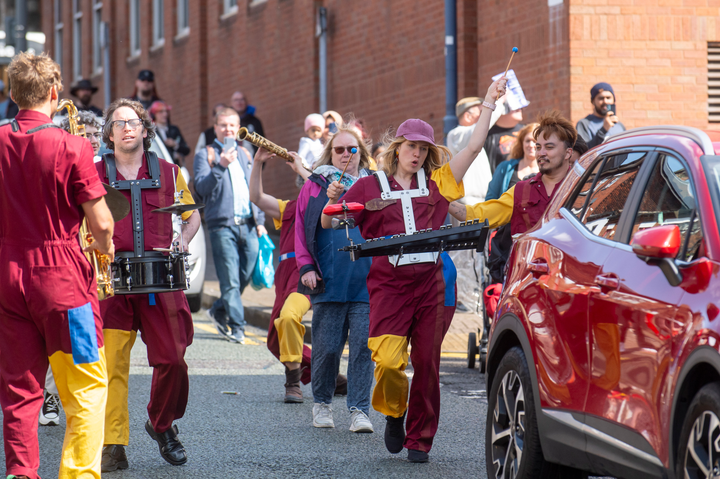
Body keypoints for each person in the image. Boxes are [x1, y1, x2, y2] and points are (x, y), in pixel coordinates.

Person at [321, 76, 508, 463]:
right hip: (388, 287)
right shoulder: (369, 185)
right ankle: (394, 411)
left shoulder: (439, 182)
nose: (417, 154)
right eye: (411, 147)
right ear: (397, 148)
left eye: (424, 148)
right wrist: (334, 203)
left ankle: (420, 439)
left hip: (429, 286)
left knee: (427, 365)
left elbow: (474, 145)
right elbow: (327, 223)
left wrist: (490, 99)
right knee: (389, 362)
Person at [0, 51, 114, 479]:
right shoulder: (73, 145)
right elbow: (101, 223)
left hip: (8, 273)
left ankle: (21, 472)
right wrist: (105, 250)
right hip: (63, 278)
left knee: (18, 388)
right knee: (86, 384)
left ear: (12, 94)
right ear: (54, 91)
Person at [95, 98, 200, 472]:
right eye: (119, 122)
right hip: (111, 283)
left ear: (144, 129)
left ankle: (161, 424)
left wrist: (184, 237)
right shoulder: (92, 173)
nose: (127, 128)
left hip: (160, 280)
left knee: (173, 359)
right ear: (109, 132)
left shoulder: (171, 172)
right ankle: (113, 443)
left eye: (133, 122)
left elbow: (191, 217)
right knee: (111, 368)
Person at [296, 127, 374, 433]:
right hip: (328, 278)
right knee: (327, 348)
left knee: (362, 349)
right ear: (330, 153)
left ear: (361, 154)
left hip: (366, 280)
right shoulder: (315, 185)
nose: (345, 155)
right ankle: (322, 403)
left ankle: (359, 410)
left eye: (352, 150)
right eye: (339, 150)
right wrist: (306, 267)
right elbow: (302, 230)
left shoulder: (372, 185)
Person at [194, 107, 267, 344]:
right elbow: (202, 189)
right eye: (223, 125)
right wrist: (221, 165)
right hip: (221, 226)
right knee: (230, 280)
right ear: (215, 128)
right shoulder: (206, 154)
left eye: (232, 125)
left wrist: (261, 222)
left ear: (238, 128)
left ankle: (219, 309)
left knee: (246, 272)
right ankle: (237, 327)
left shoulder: (246, 153)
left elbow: (254, 189)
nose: (228, 129)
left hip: (248, 225)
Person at [248, 148, 315, 402]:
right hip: (284, 275)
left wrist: (304, 169)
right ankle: (326, 373)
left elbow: (321, 193)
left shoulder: (324, 209)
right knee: (275, 340)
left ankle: (292, 383)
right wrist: (257, 162)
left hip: (306, 275)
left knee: (288, 319)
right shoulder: (288, 208)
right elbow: (256, 196)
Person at [450, 110, 577, 237]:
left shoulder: (583, 188)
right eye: (539, 147)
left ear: (568, 153)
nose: (540, 153)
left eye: (549, 147)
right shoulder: (521, 190)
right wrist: (442, 198)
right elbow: (478, 214)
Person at [486, 122, 540, 200]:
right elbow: (490, 199)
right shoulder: (505, 167)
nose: (531, 145)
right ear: (522, 143)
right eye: (528, 141)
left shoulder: (547, 171)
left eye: (535, 141)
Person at [576, 82, 626, 149]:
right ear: (593, 101)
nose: (605, 101)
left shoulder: (620, 125)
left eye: (608, 98)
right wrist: (603, 130)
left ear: (614, 100)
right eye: (601, 98)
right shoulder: (584, 124)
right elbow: (584, 152)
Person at [484, 101, 524, 173]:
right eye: (515, 106)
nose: (519, 109)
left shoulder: (527, 131)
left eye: (520, 106)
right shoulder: (487, 135)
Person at [149, 100, 190, 166]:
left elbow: (186, 150)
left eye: (166, 111)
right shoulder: (151, 131)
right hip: (158, 166)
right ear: (154, 114)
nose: (165, 114)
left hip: (175, 165)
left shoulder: (174, 129)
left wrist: (175, 145)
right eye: (161, 112)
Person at [231, 91, 265, 155]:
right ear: (232, 103)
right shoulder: (228, 121)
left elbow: (262, 143)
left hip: (252, 160)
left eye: (242, 99)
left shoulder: (255, 121)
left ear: (246, 102)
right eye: (236, 100)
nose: (239, 102)